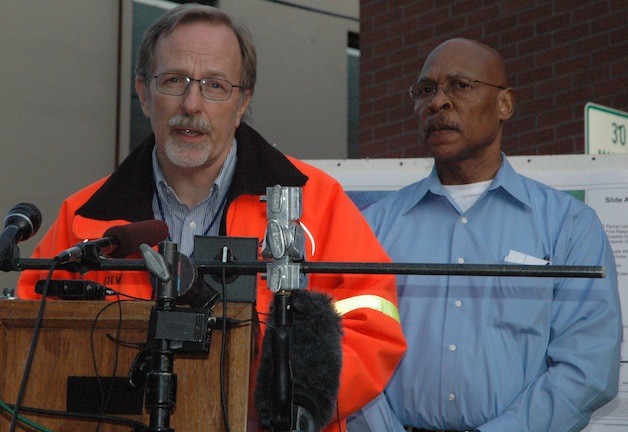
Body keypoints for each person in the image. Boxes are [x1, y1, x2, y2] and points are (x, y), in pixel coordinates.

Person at [16, 4, 406, 431]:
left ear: (242, 102)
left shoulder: (316, 203)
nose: (192, 103)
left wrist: (282, 399)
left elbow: (374, 330)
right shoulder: (84, 217)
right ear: (144, 94)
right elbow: (30, 345)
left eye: (215, 85)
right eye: (174, 81)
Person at [347, 38, 622, 432]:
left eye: (460, 85)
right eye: (426, 90)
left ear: (505, 103)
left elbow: (587, 367)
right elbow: (348, 349)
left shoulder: (568, 226)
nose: (437, 102)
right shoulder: (374, 227)